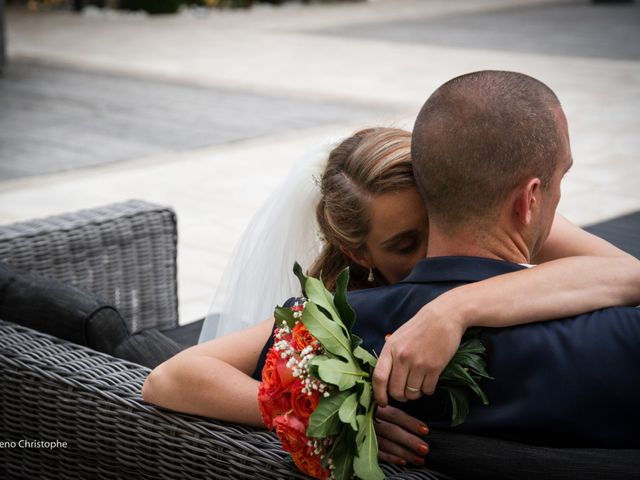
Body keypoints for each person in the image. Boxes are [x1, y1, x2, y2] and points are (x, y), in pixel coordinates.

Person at [143, 116, 640, 467]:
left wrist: (456, 305)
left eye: (437, 225)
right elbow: (169, 377)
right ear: (360, 256)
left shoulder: (485, 246)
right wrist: (326, 414)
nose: (435, 254)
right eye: (405, 244)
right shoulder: (339, 323)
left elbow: (630, 275)